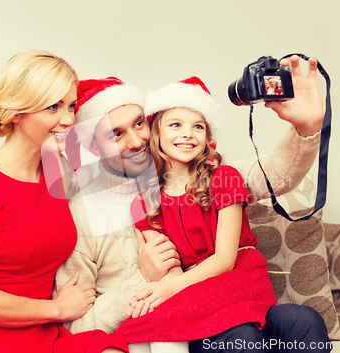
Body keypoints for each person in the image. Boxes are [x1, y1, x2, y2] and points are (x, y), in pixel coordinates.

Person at [55, 55, 330, 352]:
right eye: (116, 134)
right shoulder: (84, 211)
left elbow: (274, 174)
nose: (136, 141)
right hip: (175, 321)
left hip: (230, 300)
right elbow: (74, 324)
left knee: (302, 321)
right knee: (242, 339)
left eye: (139, 124)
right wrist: (144, 283)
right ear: (94, 145)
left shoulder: (209, 174)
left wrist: (307, 128)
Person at [0, 50, 127, 353]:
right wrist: (59, 309)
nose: (68, 119)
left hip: (40, 332)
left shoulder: (58, 170)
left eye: (71, 105)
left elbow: (125, 174)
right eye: (53, 106)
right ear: (17, 112)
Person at [116, 76, 278, 345]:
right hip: (190, 284)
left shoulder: (224, 178)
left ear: (207, 137)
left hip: (235, 276)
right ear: (156, 133)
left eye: (198, 127)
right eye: (176, 125)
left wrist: (167, 289)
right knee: (137, 327)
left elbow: (225, 259)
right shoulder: (143, 203)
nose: (188, 133)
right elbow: (167, 264)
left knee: (166, 320)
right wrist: (158, 290)